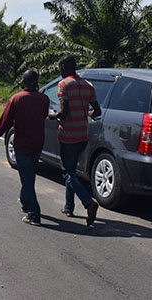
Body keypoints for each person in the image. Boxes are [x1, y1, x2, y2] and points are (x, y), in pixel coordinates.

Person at [0, 70, 50, 225]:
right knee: (30, 175)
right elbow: (43, 116)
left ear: (25, 81)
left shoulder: (17, 99)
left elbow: (5, 121)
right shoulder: (44, 99)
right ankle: (24, 200)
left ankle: (34, 214)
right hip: (37, 143)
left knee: (26, 178)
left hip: (22, 144)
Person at [48, 55, 102, 226]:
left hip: (68, 135)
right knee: (71, 171)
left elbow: (64, 112)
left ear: (64, 66)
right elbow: (97, 111)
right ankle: (68, 207)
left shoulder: (64, 85)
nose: (59, 70)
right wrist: (85, 114)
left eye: (60, 67)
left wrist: (52, 115)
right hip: (83, 135)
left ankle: (89, 203)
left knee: (67, 173)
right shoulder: (88, 85)